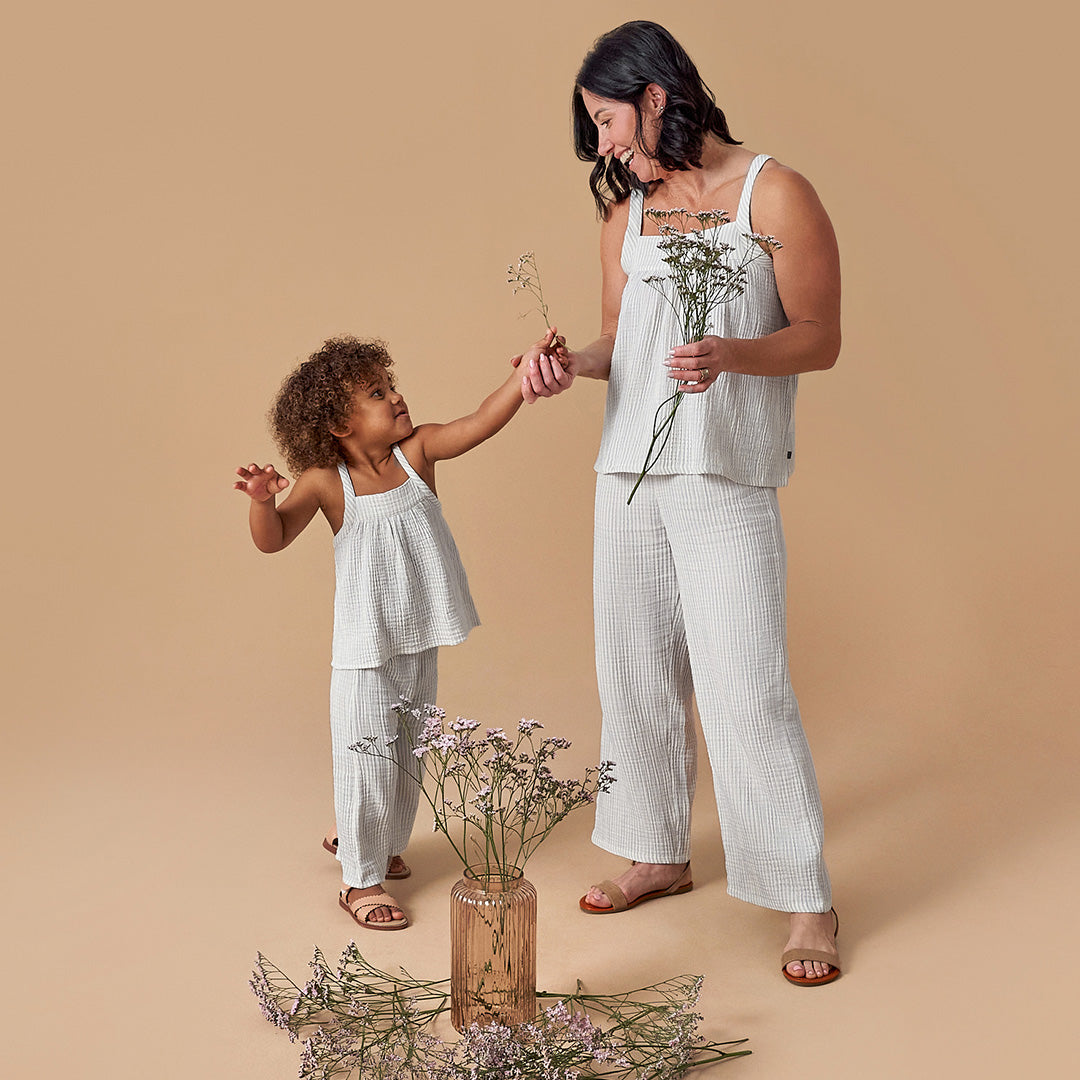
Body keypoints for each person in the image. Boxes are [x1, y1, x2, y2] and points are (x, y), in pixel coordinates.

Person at [514, 20, 842, 984]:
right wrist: (564, 363)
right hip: (629, 472)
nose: (604, 147)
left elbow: (820, 335)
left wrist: (735, 354)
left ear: (655, 95)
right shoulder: (628, 216)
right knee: (634, 670)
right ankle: (655, 850)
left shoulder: (773, 191)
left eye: (608, 122)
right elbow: (621, 340)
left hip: (727, 470)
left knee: (746, 684)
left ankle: (803, 896)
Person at [234, 334, 555, 930]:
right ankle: (360, 878)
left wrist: (525, 373)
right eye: (377, 393)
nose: (397, 397)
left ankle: (376, 842)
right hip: (363, 645)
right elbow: (272, 537)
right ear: (337, 423)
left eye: (391, 384)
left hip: (417, 634)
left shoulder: (419, 452)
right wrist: (259, 500)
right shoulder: (326, 481)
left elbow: (483, 420)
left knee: (407, 750)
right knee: (363, 752)